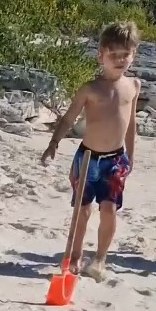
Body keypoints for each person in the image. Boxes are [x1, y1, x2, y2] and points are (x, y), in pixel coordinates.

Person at [41, 19, 141, 280]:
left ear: (134, 54)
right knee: (82, 210)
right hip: (87, 158)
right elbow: (68, 118)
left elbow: (130, 124)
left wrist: (131, 157)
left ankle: (99, 259)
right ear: (101, 55)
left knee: (109, 209)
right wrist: (53, 144)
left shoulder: (133, 86)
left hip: (116, 160)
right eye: (114, 54)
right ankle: (73, 257)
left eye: (125, 55)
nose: (120, 60)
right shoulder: (90, 88)